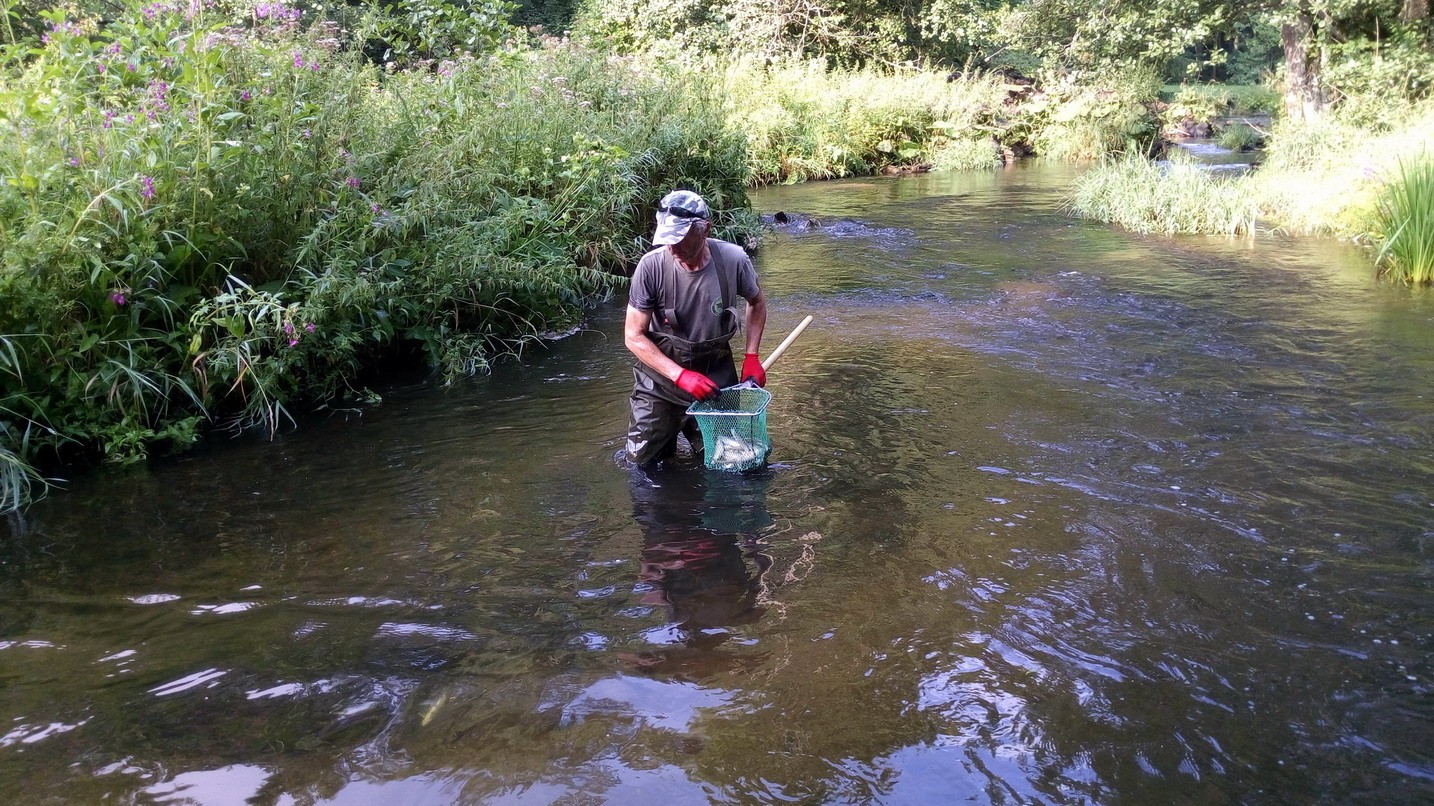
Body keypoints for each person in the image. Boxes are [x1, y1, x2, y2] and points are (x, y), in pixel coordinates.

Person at [624, 189, 767, 468]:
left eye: (678, 239)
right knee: (643, 467)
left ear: (705, 230)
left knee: (732, 464)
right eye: (666, 239)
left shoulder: (734, 260)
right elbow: (633, 336)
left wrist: (752, 356)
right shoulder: (650, 268)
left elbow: (757, 302)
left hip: (716, 380)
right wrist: (680, 376)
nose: (672, 248)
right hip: (660, 383)